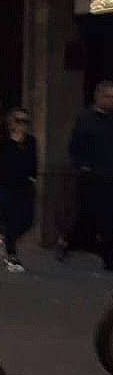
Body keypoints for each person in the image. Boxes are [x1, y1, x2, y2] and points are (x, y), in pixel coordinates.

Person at [68, 81, 113, 270]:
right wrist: (83, 166)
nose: (112, 101)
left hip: (110, 173)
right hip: (94, 176)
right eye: (108, 97)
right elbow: (75, 146)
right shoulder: (85, 118)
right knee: (96, 216)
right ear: (98, 97)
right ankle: (70, 242)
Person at [0, 108, 37, 273]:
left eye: (25, 121)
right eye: (18, 121)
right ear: (10, 123)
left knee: (28, 221)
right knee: (10, 221)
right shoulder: (4, 141)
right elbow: (3, 163)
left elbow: (33, 161)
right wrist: (15, 143)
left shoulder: (31, 141)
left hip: (25, 187)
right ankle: (12, 257)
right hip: (6, 187)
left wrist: (33, 178)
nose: (22, 125)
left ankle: (7, 241)